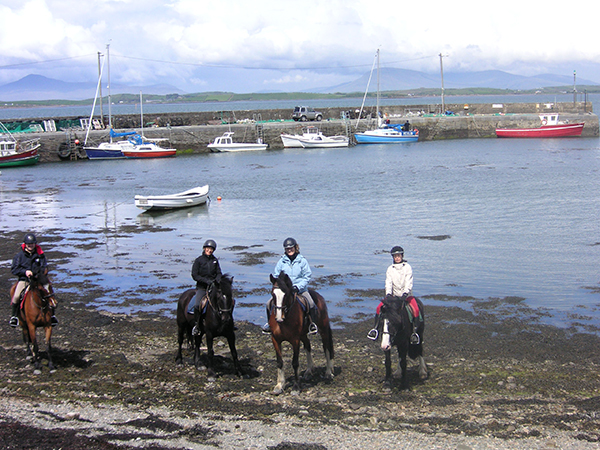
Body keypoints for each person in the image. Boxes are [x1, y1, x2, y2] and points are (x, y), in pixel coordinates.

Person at [263, 237, 318, 335]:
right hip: (284, 291)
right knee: (268, 304)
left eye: (291, 248)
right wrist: (278, 285)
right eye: (287, 248)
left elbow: (307, 276)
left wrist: (297, 286)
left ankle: (312, 324)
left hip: (300, 290)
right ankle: (269, 324)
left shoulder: (302, 261)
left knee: (311, 303)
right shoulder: (281, 261)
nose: (289, 250)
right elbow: (276, 275)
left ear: (295, 248)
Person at [367, 246, 417, 342]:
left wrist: (405, 293)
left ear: (402, 256)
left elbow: (409, 282)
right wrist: (388, 294)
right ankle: (375, 329)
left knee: (416, 310)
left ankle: (414, 332)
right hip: (393, 297)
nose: (397, 258)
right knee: (379, 308)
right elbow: (388, 282)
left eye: (398, 256)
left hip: (406, 297)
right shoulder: (390, 269)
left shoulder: (407, 267)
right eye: (395, 256)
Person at [10, 233, 58, 328]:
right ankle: (14, 317)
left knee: (49, 293)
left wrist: (40, 273)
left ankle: (52, 316)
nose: (30, 245)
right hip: (25, 280)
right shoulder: (19, 256)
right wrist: (25, 272)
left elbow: (44, 266)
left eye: (32, 244)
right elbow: (14, 269)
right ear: (25, 244)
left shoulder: (40, 255)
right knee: (16, 296)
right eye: (29, 244)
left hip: (38, 279)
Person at [191, 239, 222, 336]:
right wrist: (206, 281)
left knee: (225, 301)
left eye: (212, 249)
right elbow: (195, 275)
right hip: (202, 288)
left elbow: (219, 273)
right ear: (204, 248)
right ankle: (196, 326)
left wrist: (216, 280)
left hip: (213, 287)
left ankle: (226, 323)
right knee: (197, 305)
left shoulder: (215, 261)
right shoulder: (199, 260)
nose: (210, 250)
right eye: (208, 248)